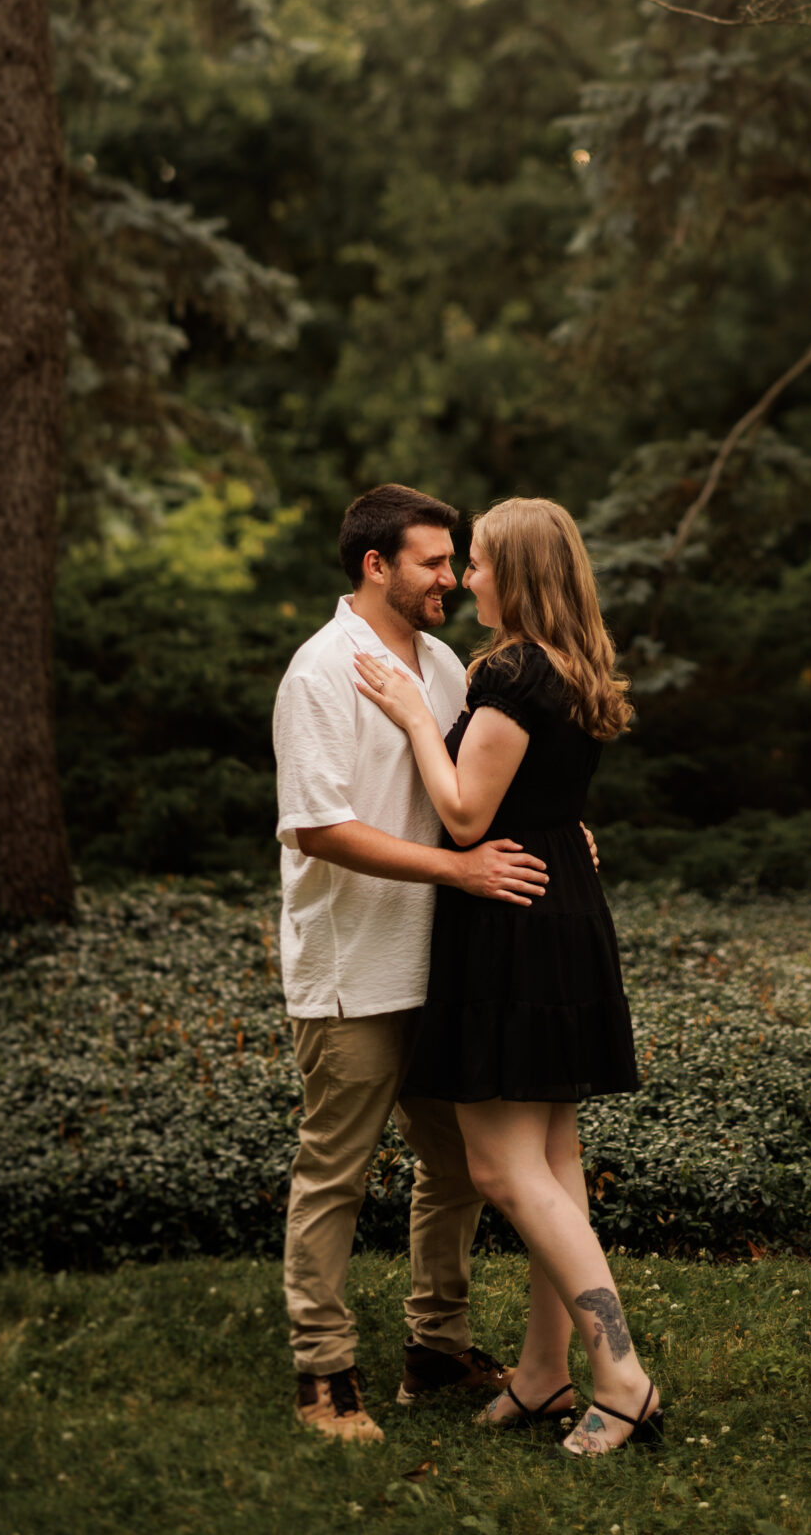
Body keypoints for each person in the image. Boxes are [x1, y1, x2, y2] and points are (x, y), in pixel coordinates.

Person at [351, 496, 658, 1458]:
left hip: (507, 921)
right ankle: (543, 1374)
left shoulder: (511, 670)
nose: (464, 578)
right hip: (560, 908)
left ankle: (624, 1377)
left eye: (478, 563)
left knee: (499, 1166)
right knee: (555, 1165)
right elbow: (546, 799)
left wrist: (409, 713)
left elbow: (467, 816)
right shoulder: (574, 668)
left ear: (517, 573)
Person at [272, 483, 550, 1445]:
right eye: (434, 561)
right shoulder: (319, 673)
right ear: (375, 566)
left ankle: (436, 1345)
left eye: (453, 558)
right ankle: (324, 1373)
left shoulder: (440, 664)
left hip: (443, 965)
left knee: (461, 1168)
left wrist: (565, 831)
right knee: (334, 1176)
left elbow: (474, 789)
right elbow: (318, 829)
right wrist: (458, 870)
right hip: (352, 973)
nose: (453, 576)